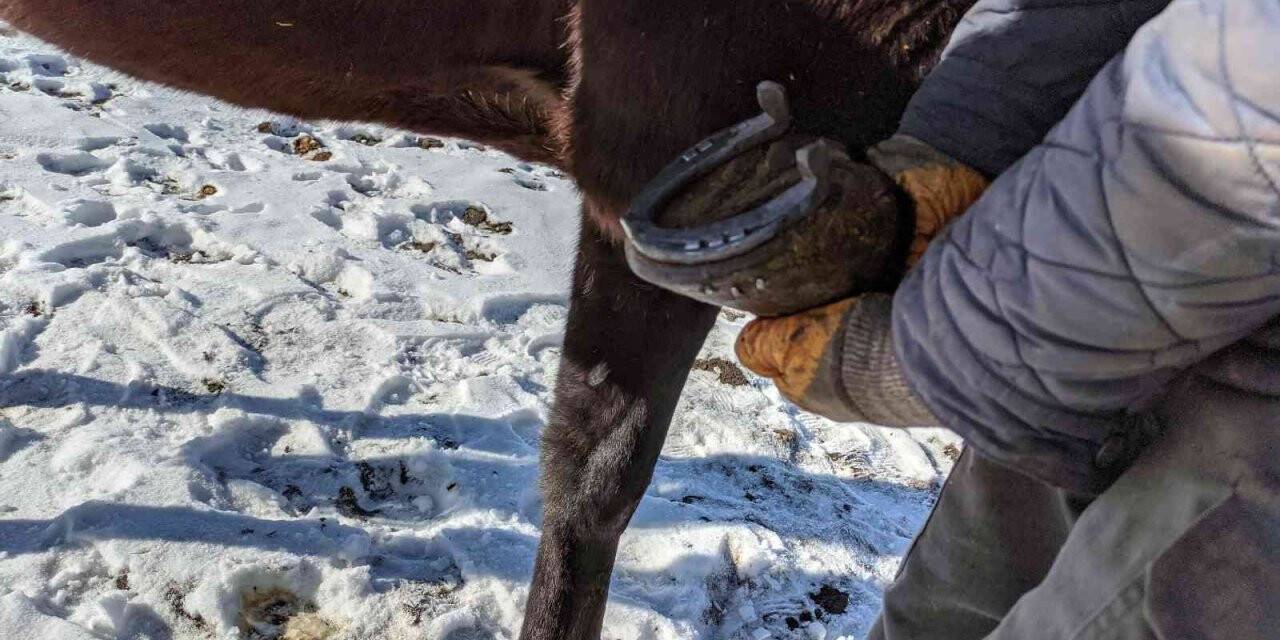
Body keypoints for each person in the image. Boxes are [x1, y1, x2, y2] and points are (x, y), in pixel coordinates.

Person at [734, 0, 1280, 637]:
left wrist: (947, 350)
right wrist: (961, 141)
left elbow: (1251, 116)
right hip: (1121, 242)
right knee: (940, 611)